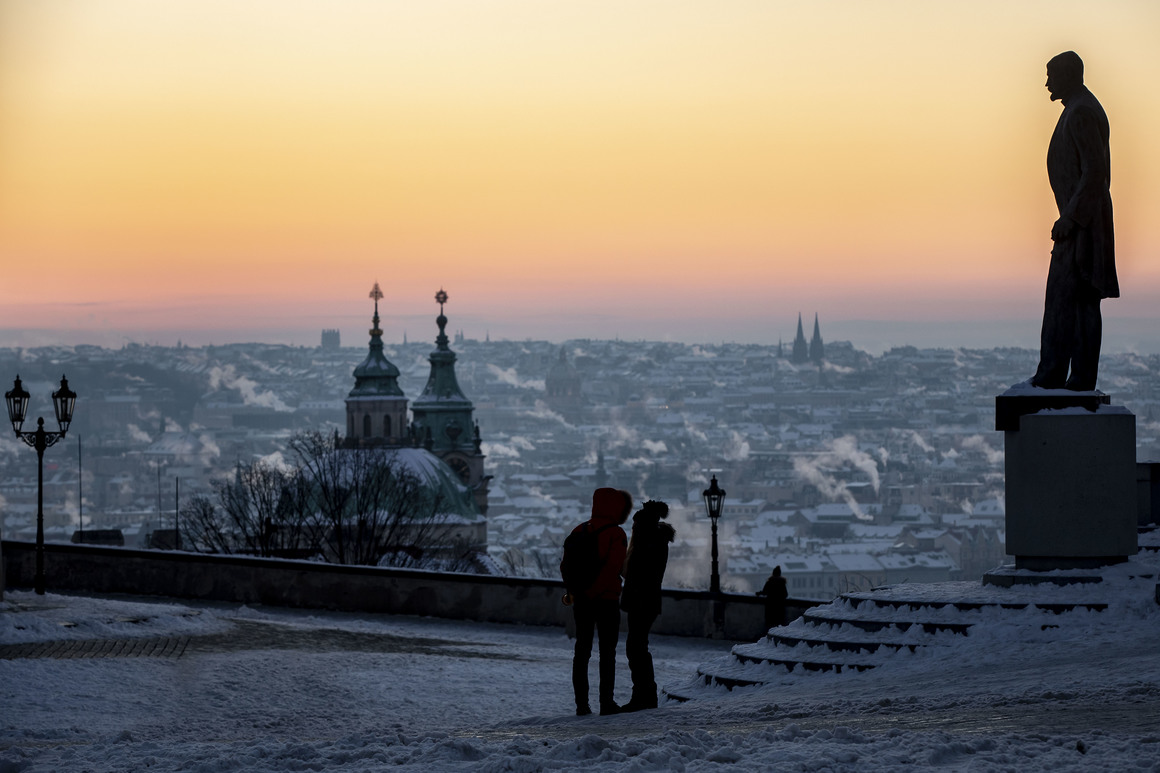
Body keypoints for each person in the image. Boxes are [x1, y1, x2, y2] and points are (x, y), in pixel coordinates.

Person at [1030, 51, 1117, 392]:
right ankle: (1065, 375)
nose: (1047, 82)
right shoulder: (1077, 109)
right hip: (1080, 221)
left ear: (1069, 75)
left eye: (1051, 75)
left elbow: (1096, 174)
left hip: (1082, 225)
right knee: (1073, 300)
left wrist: (1071, 218)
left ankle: (1063, 376)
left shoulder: (1081, 112)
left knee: (1071, 299)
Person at [565, 487, 631, 716]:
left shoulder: (579, 529)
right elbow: (612, 568)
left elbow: (566, 566)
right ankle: (606, 703)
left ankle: (581, 705)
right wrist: (595, 591)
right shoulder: (616, 533)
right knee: (607, 653)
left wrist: (577, 592)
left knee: (581, 653)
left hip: (581, 600)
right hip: (606, 600)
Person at [619, 499, 675, 712]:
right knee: (637, 647)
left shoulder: (648, 542)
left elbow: (637, 572)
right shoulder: (656, 540)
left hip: (642, 600)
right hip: (646, 600)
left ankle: (644, 695)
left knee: (636, 648)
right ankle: (644, 694)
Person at [756, 565, 788, 630]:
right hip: (780, 607)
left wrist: (759, 593)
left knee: (770, 624)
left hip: (770, 606)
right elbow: (785, 594)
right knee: (779, 625)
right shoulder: (782, 583)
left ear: (773, 573)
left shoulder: (769, 582)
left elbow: (764, 592)